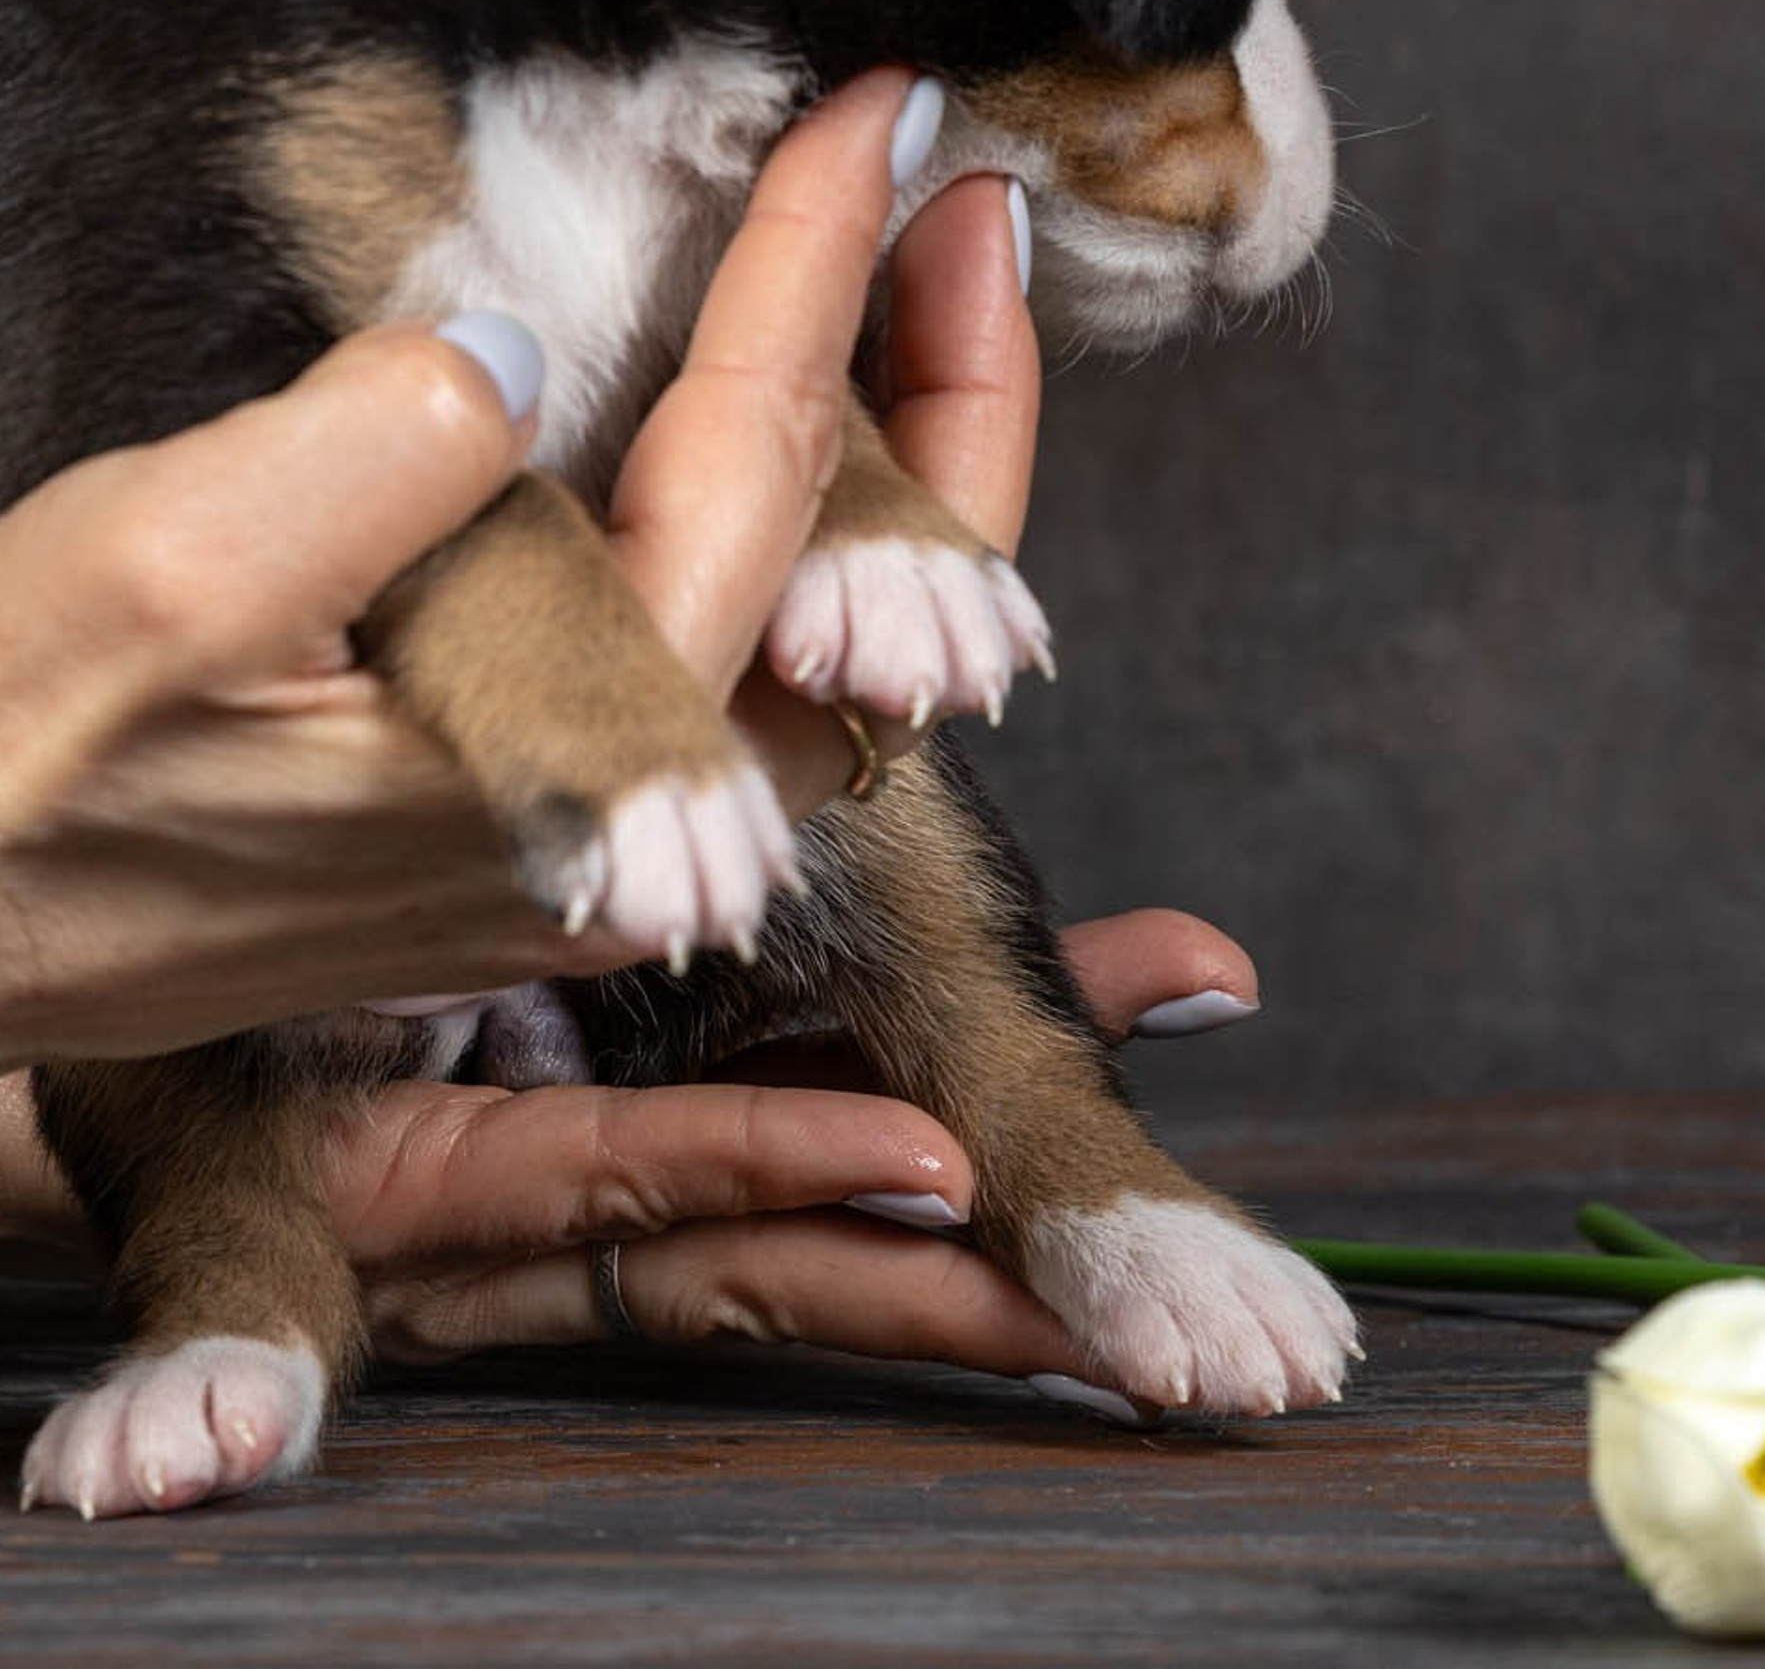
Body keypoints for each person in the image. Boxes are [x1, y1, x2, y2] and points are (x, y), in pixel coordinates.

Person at [0, 70, 1255, 1412]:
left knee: (851, 771)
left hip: (655, 925)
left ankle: (1081, 1180)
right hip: (211, 859)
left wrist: (846, 497)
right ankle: (237, 1311)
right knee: (173, 1110)